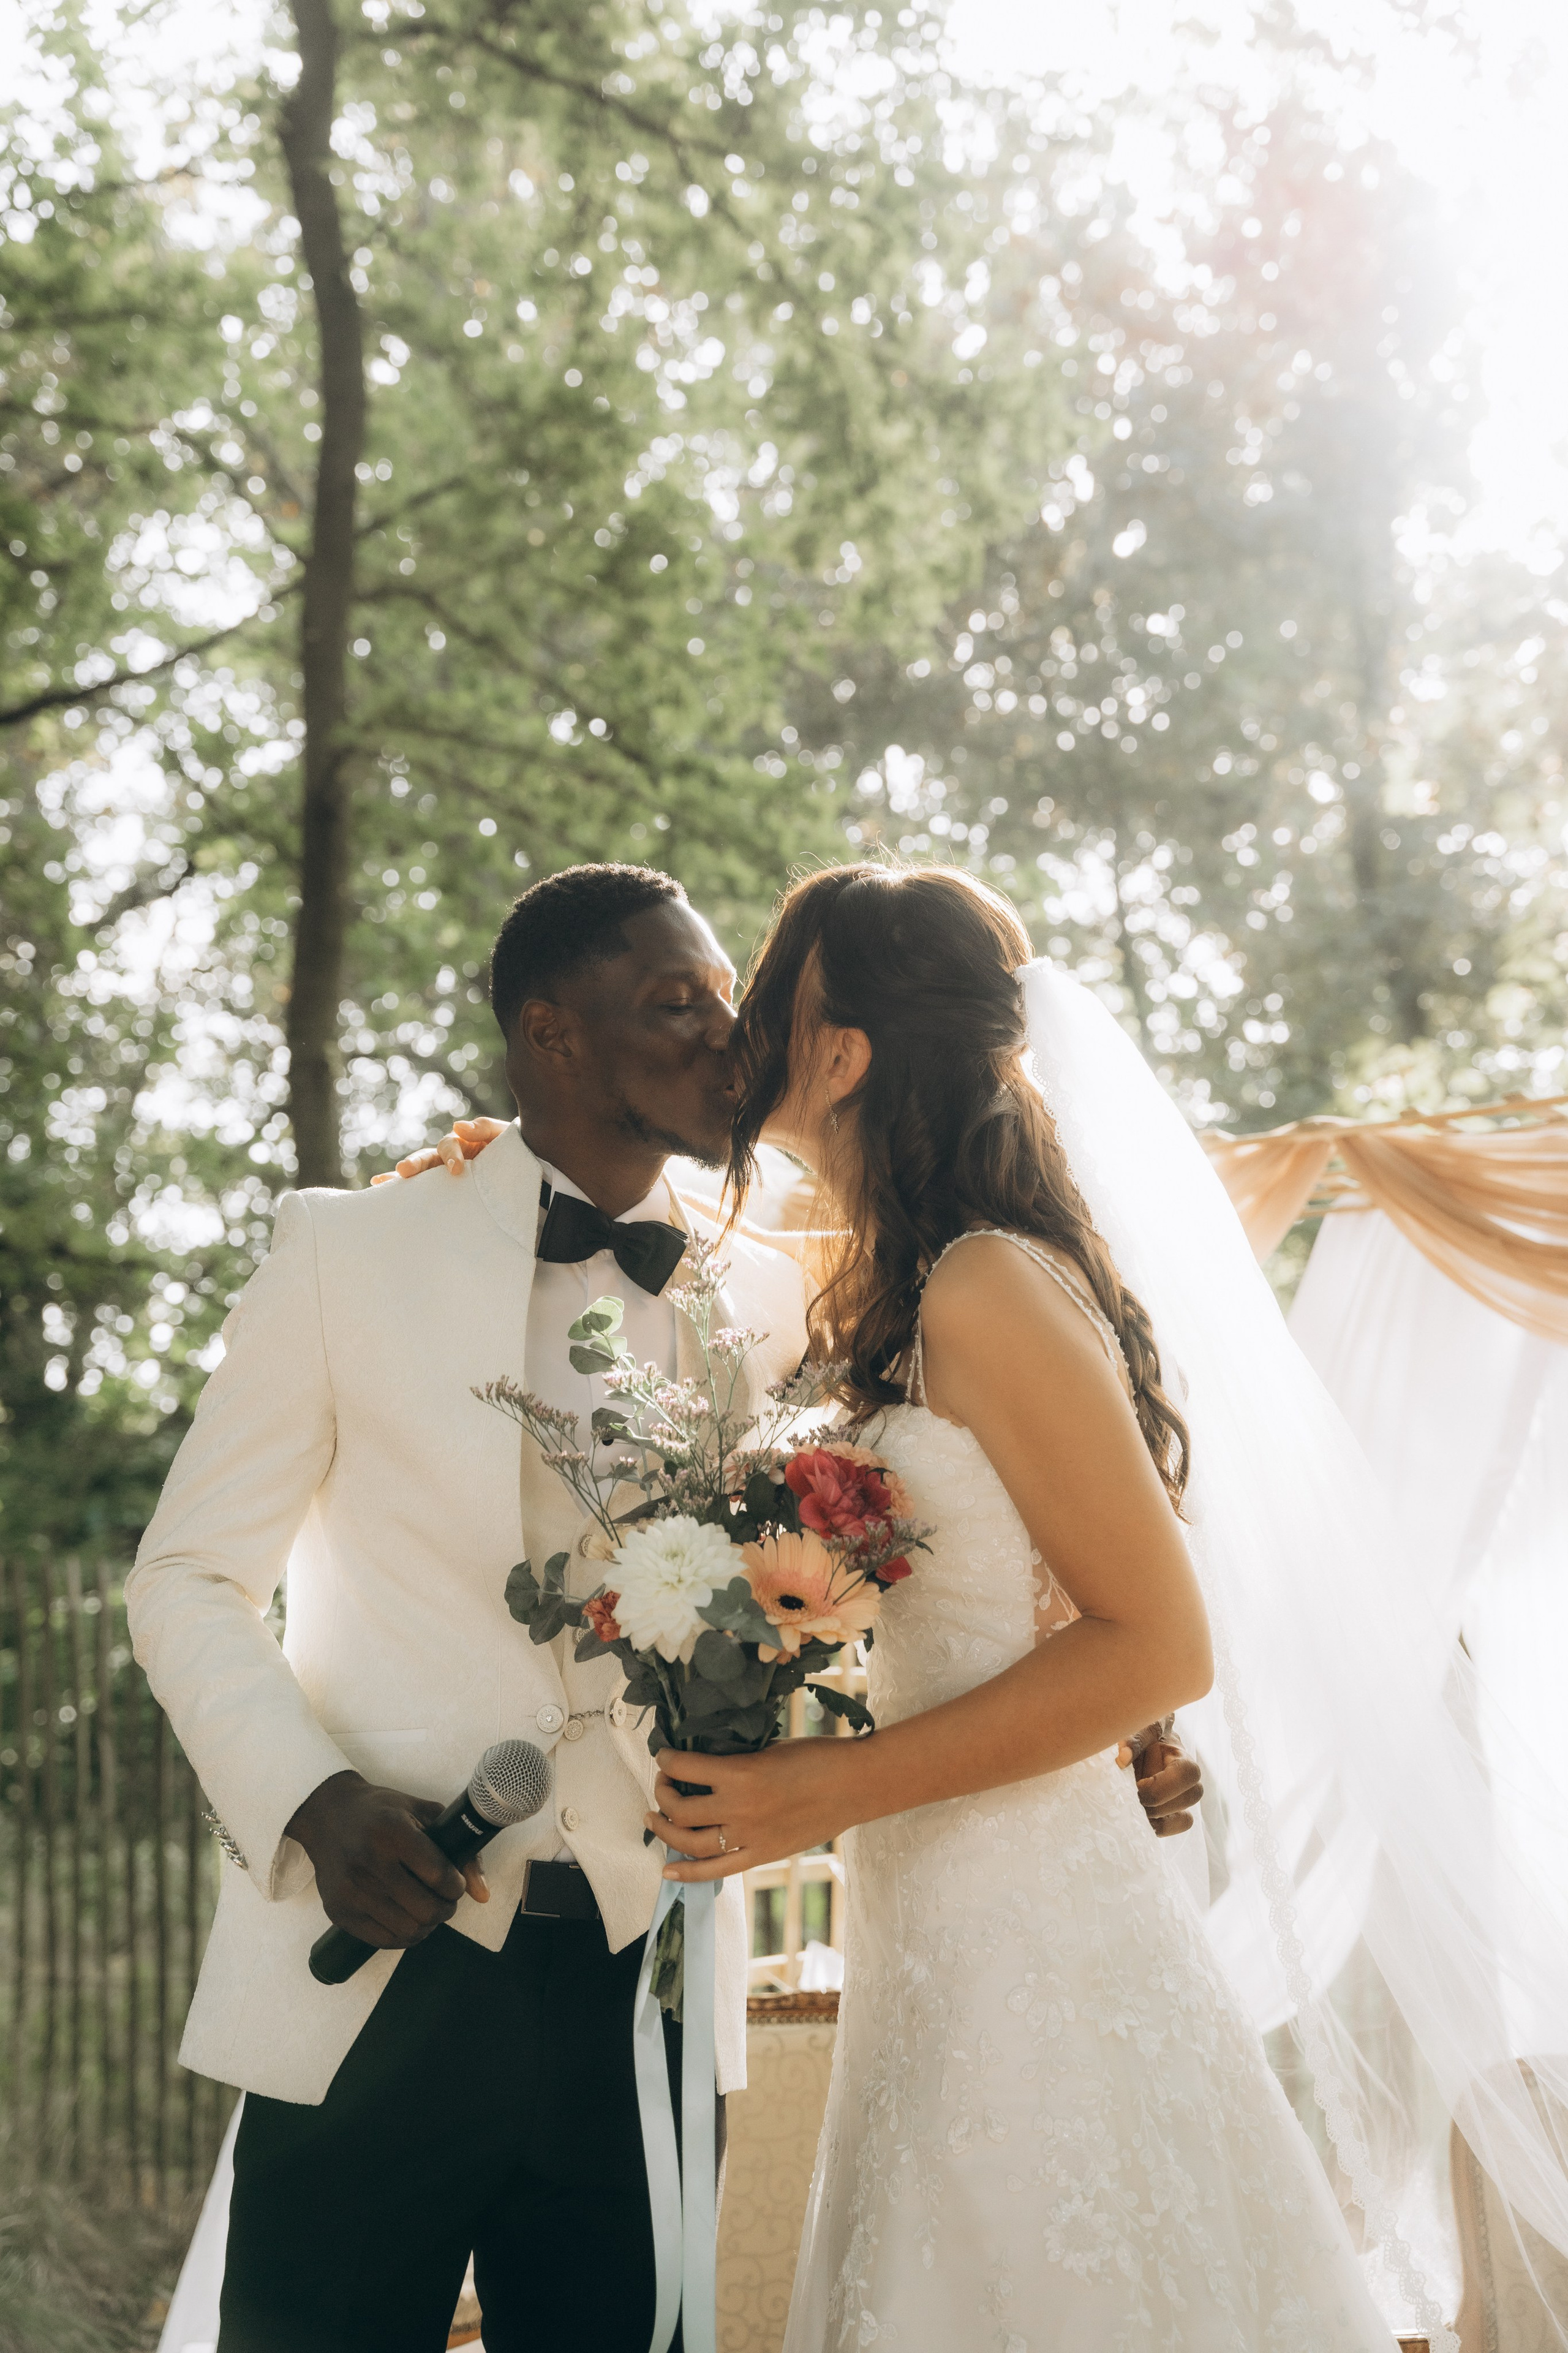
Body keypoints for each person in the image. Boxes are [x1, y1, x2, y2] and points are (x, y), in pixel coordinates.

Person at [134, 861, 1197, 2353]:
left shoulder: (790, 1289)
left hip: (653, 1992)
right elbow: (184, 1575)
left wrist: (1120, 1723)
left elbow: (1007, 1495)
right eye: (676, 1005)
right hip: (379, 1966)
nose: (724, 1039)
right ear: (550, 1033)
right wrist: (306, 1799)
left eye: (735, 1003)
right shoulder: (349, 1250)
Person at [634, 864, 1401, 2351]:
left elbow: (1156, 1641)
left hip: (1026, 1930)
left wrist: (825, 1784)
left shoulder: (983, 1286)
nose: (735, 1045)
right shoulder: (907, 1284)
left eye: (766, 1001)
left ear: (840, 1051)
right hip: (939, 1909)